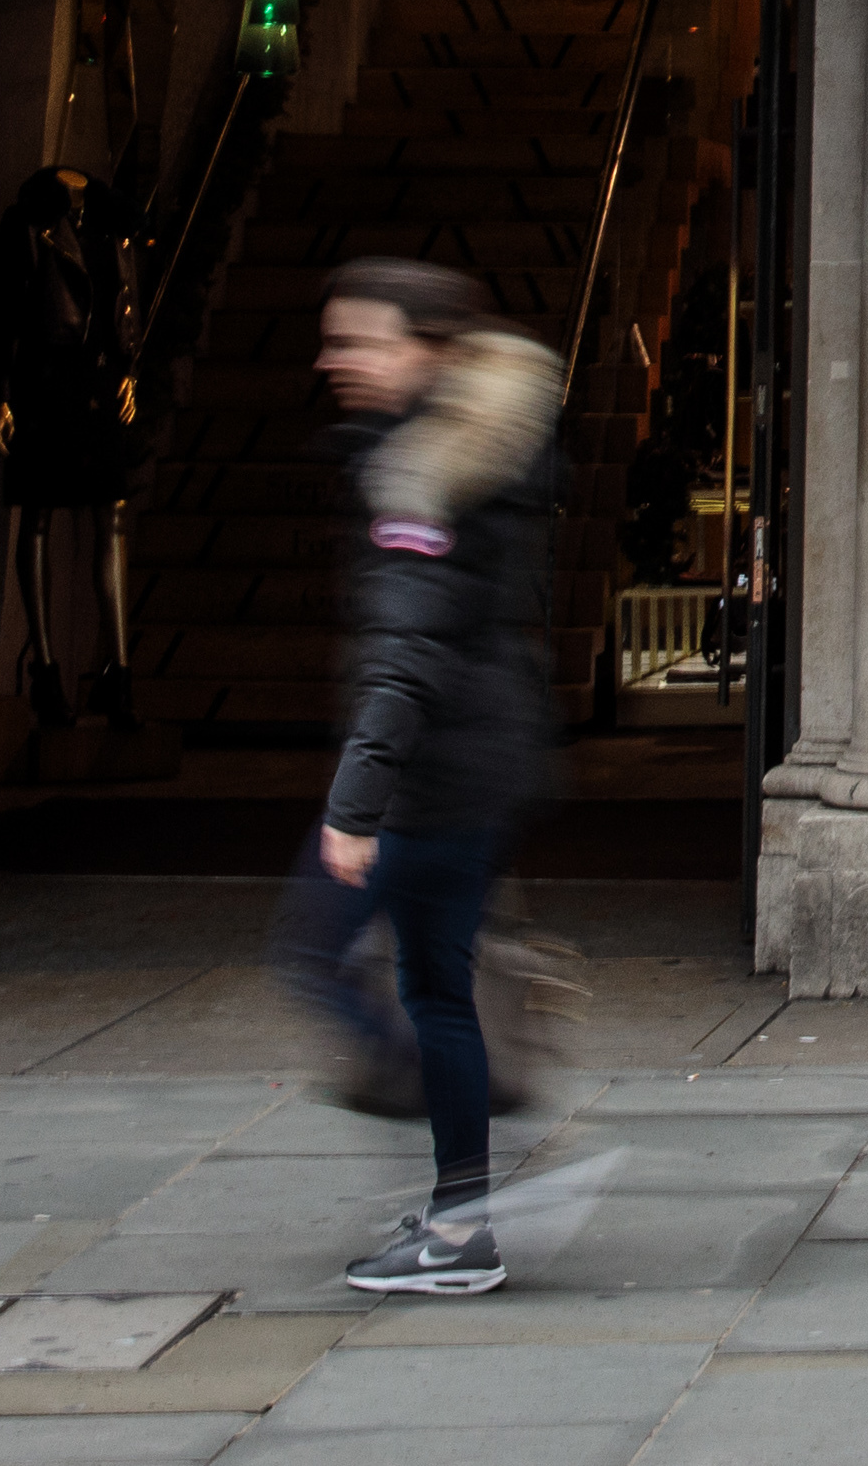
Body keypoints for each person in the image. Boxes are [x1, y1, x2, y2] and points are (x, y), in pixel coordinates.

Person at [281, 256, 564, 1298]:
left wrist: (355, 808)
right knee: (436, 991)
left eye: (359, 340)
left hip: (433, 777)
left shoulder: (427, 473)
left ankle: (463, 1193)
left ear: (428, 350)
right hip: (479, 761)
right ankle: (459, 1213)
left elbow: (407, 654)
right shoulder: (477, 445)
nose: (334, 359)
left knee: (328, 958)